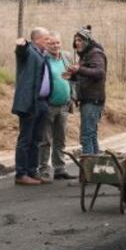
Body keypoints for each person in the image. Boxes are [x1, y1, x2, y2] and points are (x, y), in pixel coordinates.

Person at [13, 27, 51, 186]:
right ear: (36, 40)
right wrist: (21, 45)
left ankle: (32, 171)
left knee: (37, 139)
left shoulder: (43, 55)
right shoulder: (29, 51)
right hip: (30, 102)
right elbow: (21, 51)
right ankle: (21, 173)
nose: (48, 42)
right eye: (46, 39)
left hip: (42, 102)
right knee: (26, 139)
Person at [65, 26, 106, 155]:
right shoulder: (86, 55)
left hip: (92, 100)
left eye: (80, 40)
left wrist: (79, 70)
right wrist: (73, 75)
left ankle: (88, 168)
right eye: (76, 40)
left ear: (87, 41)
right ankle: (96, 168)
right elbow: (87, 75)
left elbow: (99, 72)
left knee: (86, 136)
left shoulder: (95, 54)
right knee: (92, 135)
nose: (77, 43)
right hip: (89, 100)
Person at [38, 33, 74, 181]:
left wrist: (73, 96)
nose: (55, 46)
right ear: (47, 44)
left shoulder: (66, 57)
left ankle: (59, 169)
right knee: (45, 139)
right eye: (52, 43)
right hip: (49, 105)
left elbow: (73, 78)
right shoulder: (42, 59)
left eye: (57, 43)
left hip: (64, 105)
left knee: (61, 138)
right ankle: (44, 170)